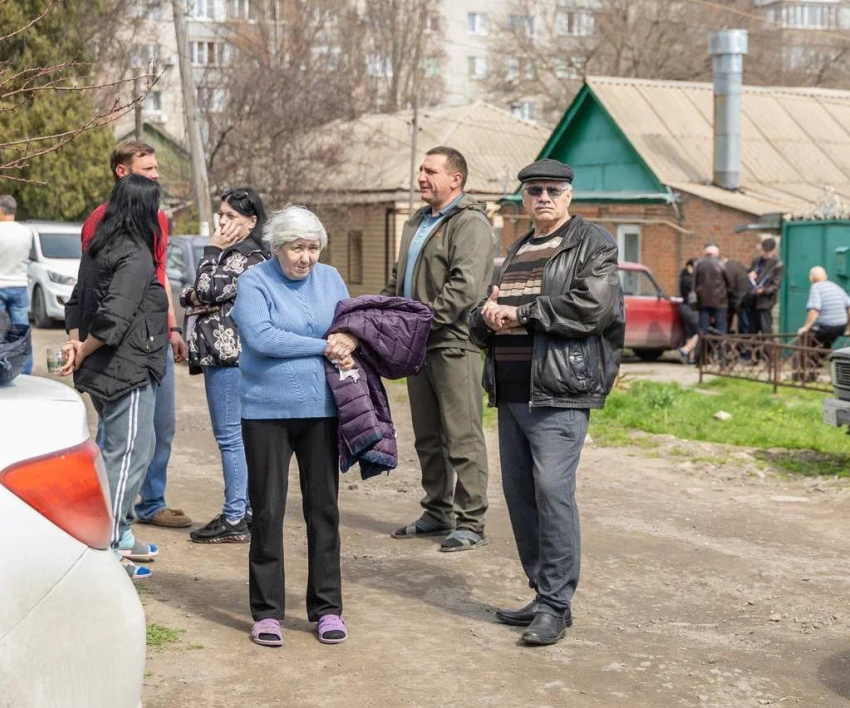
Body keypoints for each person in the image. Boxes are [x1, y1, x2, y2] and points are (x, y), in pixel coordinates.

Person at [470, 158, 625, 645]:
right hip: (512, 390)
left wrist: (519, 313)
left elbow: (593, 309)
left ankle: (557, 606)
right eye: (534, 190)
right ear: (523, 197)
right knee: (522, 499)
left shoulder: (591, 243)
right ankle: (543, 594)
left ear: (569, 196)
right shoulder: (518, 247)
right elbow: (493, 307)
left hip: (558, 393)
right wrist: (485, 317)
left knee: (553, 494)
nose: (543, 198)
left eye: (552, 190)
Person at [231, 205, 357, 647]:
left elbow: (349, 322)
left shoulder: (331, 278)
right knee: (266, 510)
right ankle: (267, 613)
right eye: (296, 248)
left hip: (323, 409)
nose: (306, 257)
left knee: (323, 510)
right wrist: (324, 345)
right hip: (266, 411)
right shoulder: (254, 281)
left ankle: (327, 608)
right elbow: (261, 338)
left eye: (313, 247)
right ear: (276, 247)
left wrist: (349, 338)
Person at [381, 146, 495, 552]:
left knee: (461, 436)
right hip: (418, 344)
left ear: (455, 179)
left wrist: (419, 322)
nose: (422, 176)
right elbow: (399, 279)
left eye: (431, 171)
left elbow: (464, 287)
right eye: (421, 169)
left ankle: (471, 521)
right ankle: (437, 511)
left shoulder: (470, 223)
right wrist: (379, 315)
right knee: (428, 436)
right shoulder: (418, 221)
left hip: (453, 343)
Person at [60, 175, 169, 580]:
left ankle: (109, 538)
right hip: (127, 369)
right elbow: (114, 317)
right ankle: (103, 550)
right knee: (128, 456)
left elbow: (75, 304)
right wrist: (84, 348)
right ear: (144, 209)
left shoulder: (98, 247)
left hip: (107, 368)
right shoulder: (136, 254)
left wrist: (75, 345)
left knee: (119, 452)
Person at [81, 140, 192, 531]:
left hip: (155, 337)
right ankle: (112, 527)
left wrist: (172, 327)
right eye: (148, 170)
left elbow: (158, 275)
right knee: (121, 437)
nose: (156, 175)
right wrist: (86, 344)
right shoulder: (100, 222)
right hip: (119, 347)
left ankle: (148, 503)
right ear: (122, 172)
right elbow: (99, 293)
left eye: (157, 168)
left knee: (158, 428)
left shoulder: (156, 219)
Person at [181, 188, 268, 544]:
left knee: (230, 436)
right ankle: (242, 509)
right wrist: (194, 295)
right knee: (238, 437)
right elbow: (198, 293)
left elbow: (206, 290)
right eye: (221, 214)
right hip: (228, 356)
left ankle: (235, 515)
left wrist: (212, 251)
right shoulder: (242, 254)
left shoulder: (245, 255)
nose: (222, 222)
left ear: (252, 222)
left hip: (227, 357)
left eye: (232, 216)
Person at [0, 195, 34, 375]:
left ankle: (2, 368)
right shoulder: (27, 232)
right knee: (22, 330)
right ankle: (25, 369)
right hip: (19, 285)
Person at [797, 266, 850, 367]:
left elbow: (814, 310)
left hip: (826, 327)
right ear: (825, 276)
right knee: (825, 342)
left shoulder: (816, 287)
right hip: (840, 327)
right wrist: (848, 326)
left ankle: (803, 372)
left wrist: (805, 327)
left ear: (811, 278)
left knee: (805, 341)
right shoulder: (835, 286)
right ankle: (817, 363)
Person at [743, 238, 782, 335]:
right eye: (763, 251)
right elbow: (750, 274)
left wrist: (764, 290)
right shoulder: (756, 261)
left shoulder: (777, 264)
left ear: (772, 251)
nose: (764, 253)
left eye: (767, 252)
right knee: (751, 330)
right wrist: (750, 274)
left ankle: (767, 350)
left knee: (766, 329)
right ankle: (751, 350)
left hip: (765, 301)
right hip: (752, 300)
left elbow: (775, 285)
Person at [693, 244, 732, 335]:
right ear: (717, 253)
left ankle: (703, 348)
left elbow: (694, 283)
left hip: (703, 301)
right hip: (720, 301)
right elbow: (730, 283)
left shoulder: (698, 264)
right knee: (720, 328)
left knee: (703, 329)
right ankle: (720, 348)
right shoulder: (721, 264)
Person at [677, 258, 700, 364]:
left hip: (685, 307)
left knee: (690, 332)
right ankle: (686, 349)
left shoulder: (684, 278)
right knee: (701, 330)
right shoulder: (689, 280)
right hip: (691, 308)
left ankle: (691, 358)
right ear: (689, 267)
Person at [723, 256, 750, 333]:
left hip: (736, 298)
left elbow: (729, 286)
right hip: (744, 297)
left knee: (731, 320)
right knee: (744, 321)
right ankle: (745, 341)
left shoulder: (728, 267)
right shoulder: (739, 266)